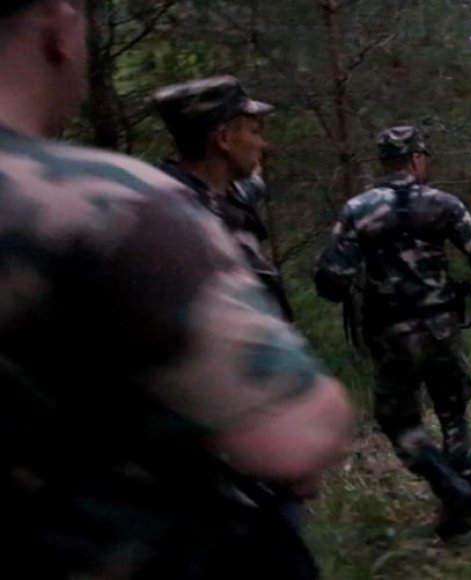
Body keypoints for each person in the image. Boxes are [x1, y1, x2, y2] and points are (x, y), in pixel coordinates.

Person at [0, 1, 353, 577]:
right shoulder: (125, 206)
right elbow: (293, 434)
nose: (264, 145)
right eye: (254, 130)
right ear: (58, 32)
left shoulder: (227, 197)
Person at [314, 125, 471, 538]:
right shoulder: (442, 204)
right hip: (440, 328)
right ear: (417, 158)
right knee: (453, 411)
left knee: (398, 420)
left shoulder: (358, 209)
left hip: (389, 335)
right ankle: (463, 490)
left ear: (385, 161)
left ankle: (449, 490)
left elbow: (330, 280)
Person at [152, 75, 295, 321]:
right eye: (254, 131)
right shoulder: (188, 226)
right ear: (224, 139)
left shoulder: (221, 195)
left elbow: (251, 187)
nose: (262, 143)